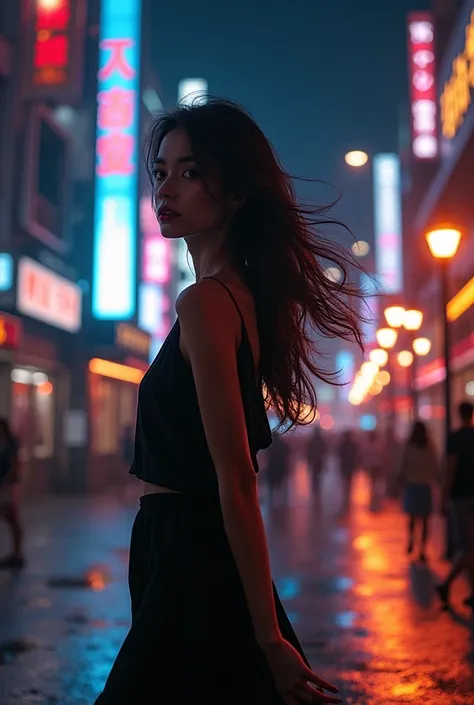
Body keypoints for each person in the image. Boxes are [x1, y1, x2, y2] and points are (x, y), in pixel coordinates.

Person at [94, 98, 365, 704]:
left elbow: (238, 478)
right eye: (161, 171)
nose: (167, 187)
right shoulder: (236, 296)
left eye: (190, 172)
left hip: (189, 550)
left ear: (236, 193)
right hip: (184, 547)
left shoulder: (206, 303)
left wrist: (268, 638)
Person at [437, 401, 474, 609]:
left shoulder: (455, 439)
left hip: (460, 497)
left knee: (468, 546)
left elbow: (450, 470)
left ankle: (446, 583)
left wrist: (444, 496)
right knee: (471, 547)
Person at [396, 421, 439, 562]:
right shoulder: (429, 448)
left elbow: (402, 466)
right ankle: (422, 550)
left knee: (412, 518)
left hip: (412, 486)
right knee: (425, 520)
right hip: (425, 487)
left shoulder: (408, 447)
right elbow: (435, 466)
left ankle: (411, 541)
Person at [0, 418, 24, 569]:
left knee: (11, 518)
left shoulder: (10, 444)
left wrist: (9, 479)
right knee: (11, 519)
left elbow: (15, 463)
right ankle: (16, 554)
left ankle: (17, 554)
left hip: (7, 485)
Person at [337, 430, 359, 514]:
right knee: (349, 484)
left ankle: (346, 500)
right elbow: (356, 456)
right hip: (350, 467)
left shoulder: (342, 445)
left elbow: (339, 455)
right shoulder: (353, 445)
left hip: (344, 466)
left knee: (345, 484)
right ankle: (347, 499)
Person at [306, 425, 328, 497]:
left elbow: (308, 452)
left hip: (314, 461)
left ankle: (315, 489)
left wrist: (309, 461)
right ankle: (317, 489)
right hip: (319, 461)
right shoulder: (322, 441)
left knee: (314, 476)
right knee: (318, 475)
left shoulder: (311, 441)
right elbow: (325, 452)